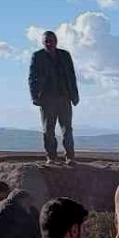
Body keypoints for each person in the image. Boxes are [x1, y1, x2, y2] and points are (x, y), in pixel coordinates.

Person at [29, 31, 80, 165]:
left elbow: (72, 75)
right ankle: (51, 157)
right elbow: (31, 78)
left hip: (64, 97)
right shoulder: (38, 56)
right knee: (48, 129)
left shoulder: (64, 55)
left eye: (51, 40)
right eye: (47, 41)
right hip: (47, 98)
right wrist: (34, 96)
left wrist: (75, 95)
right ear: (43, 42)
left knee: (67, 128)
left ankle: (70, 156)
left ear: (56, 41)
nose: (49, 43)